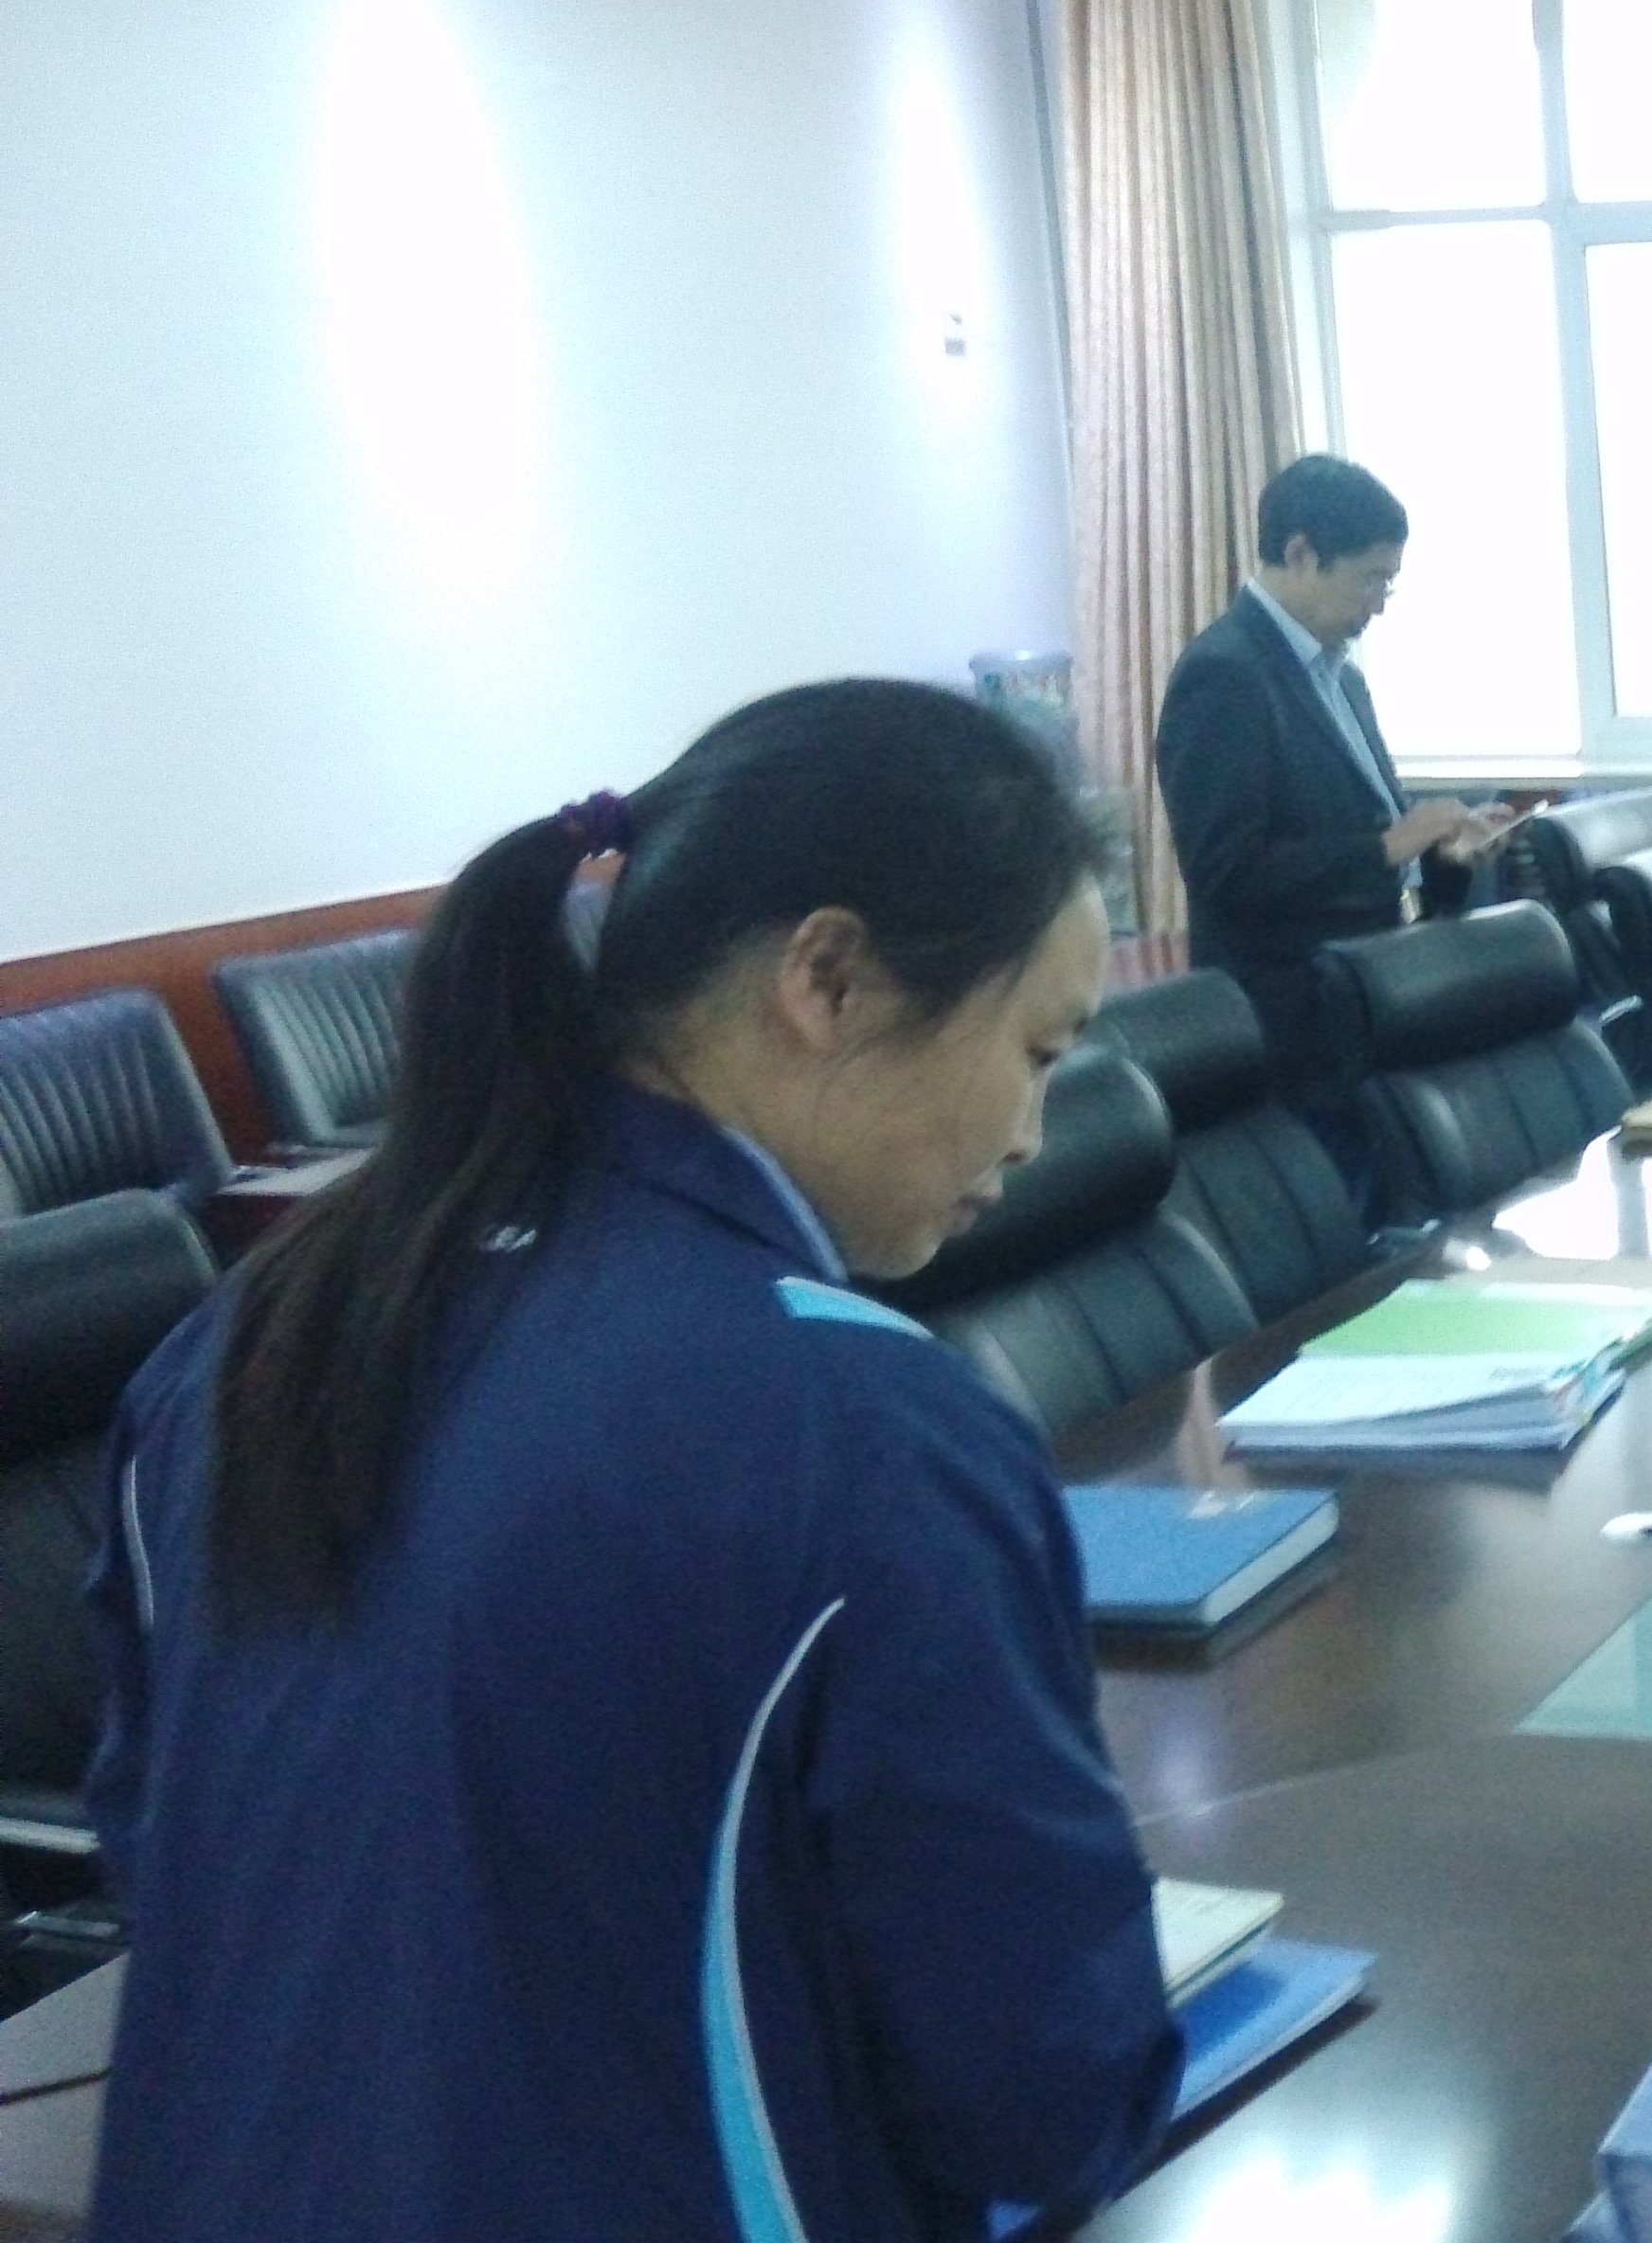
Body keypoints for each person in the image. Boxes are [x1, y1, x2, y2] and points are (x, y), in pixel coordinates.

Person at [87, 683, 1184, 2238]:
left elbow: (169, 1850)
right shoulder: (864, 1426)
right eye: (1039, 1047)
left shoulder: (242, 1339)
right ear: (827, 977)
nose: (1030, 1130)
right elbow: (1044, 2090)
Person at [1154, 455, 1517, 1110]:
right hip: (1291, 1029)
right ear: (1300, 555)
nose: (1379, 605)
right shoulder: (1224, 675)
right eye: (1369, 579)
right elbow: (1225, 873)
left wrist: (1445, 857)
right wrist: (1389, 845)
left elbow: (1368, 849)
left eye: (1389, 585)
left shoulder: (1342, 678)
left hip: (1374, 1001)